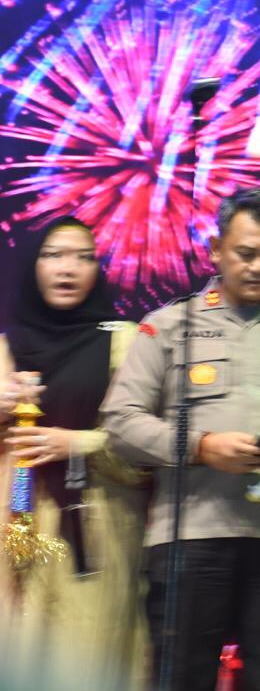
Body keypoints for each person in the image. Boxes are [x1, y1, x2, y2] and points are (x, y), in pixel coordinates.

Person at [102, 189, 260, 691]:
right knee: (182, 678)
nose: (259, 267)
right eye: (245, 253)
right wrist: (202, 446)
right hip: (191, 536)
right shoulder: (171, 325)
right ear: (216, 250)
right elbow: (120, 422)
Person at [0, 217, 148, 690]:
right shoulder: (5, 348)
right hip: (13, 533)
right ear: (31, 265)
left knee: (86, 665)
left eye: (83, 258)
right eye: (53, 255)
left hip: (96, 529)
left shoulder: (124, 341)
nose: (68, 269)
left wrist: (77, 444)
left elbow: (147, 447)